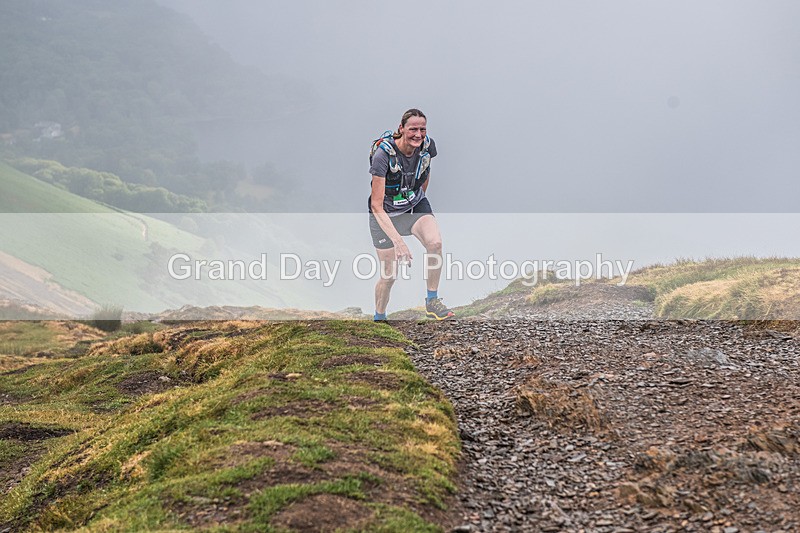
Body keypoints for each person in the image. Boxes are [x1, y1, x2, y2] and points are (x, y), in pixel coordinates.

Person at [368, 108, 455, 321]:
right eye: (413, 129)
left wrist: (418, 197)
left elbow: (425, 171)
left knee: (435, 244)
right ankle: (380, 318)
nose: (418, 134)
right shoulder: (383, 156)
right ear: (401, 129)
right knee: (389, 275)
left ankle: (432, 301)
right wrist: (398, 242)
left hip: (413, 204)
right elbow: (376, 205)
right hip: (385, 214)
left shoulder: (427, 146)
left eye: (422, 129)